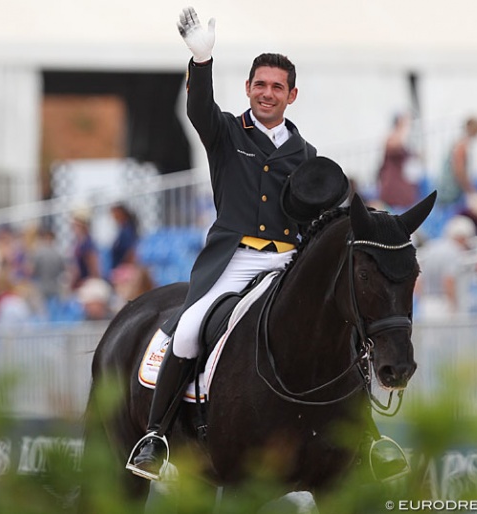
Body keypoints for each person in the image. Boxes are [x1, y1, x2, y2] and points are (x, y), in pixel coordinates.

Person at [129, 7, 349, 480]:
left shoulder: (306, 155)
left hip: (288, 262)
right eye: (260, 85)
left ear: (292, 95)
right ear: (248, 88)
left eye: (277, 87)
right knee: (187, 330)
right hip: (234, 260)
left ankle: (368, 437)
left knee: (341, 331)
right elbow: (197, 110)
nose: (267, 94)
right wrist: (201, 62)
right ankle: (155, 435)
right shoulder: (227, 131)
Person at [416, 215, 477, 320]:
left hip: (427, 304)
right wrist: (453, 306)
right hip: (444, 305)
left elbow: (418, 279)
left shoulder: (432, 247)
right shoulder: (453, 251)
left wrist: (423, 300)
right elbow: (448, 280)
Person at [438, 117, 477, 208]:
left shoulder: (460, 143)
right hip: (450, 190)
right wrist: (470, 189)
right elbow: (459, 171)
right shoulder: (462, 146)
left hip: (451, 188)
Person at [377, 112, 418, 210]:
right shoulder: (392, 138)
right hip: (392, 180)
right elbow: (394, 147)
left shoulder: (399, 137)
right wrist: (403, 128)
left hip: (401, 178)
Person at [109, 203, 140, 275]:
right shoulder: (122, 230)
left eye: (114, 214)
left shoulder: (127, 231)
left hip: (124, 271)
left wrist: (124, 270)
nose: (113, 217)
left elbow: (131, 252)